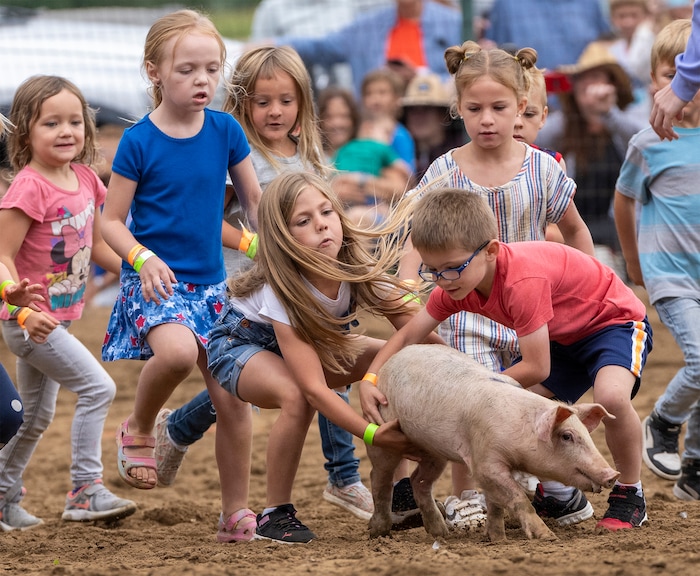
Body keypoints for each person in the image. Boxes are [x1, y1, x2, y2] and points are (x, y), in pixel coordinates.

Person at [155, 45, 376, 523]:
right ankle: (341, 476)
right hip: (243, 290)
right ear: (242, 105)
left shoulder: (309, 159)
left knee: (303, 369)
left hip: (300, 293)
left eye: (285, 100)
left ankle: (342, 477)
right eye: (262, 101)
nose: (275, 111)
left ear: (302, 105)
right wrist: (257, 246)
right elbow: (204, 221)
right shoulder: (241, 159)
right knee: (243, 388)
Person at [362, 187, 653, 531]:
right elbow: (408, 333)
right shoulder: (454, 286)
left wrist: (480, 391)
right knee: (518, 421)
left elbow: (537, 367)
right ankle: (553, 492)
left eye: (452, 268)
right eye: (433, 271)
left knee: (610, 397)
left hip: (611, 324)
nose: (442, 280)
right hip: (559, 339)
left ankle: (629, 493)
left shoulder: (521, 281)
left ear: (490, 251)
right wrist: (370, 379)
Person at [397, 41, 595, 531]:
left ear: (522, 107)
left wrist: (586, 282)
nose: (487, 119)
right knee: (471, 404)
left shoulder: (543, 168)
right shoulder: (445, 169)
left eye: (499, 108)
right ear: (458, 109)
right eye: (474, 109)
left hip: (529, 306)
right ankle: (464, 495)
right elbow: (414, 232)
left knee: (534, 401)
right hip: (466, 307)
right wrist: (406, 279)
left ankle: (531, 484)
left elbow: (574, 229)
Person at [205, 170, 441, 543]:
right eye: (304, 220)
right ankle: (274, 515)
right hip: (238, 345)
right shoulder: (283, 286)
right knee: (296, 397)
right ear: (283, 236)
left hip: (309, 346)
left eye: (327, 212)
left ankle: (397, 494)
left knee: (396, 363)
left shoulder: (354, 267)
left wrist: (468, 368)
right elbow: (314, 389)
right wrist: (373, 435)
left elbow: (416, 331)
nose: (321, 226)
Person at [99, 10, 262, 543]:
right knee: (173, 355)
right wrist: (142, 259)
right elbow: (110, 222)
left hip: (214, 289)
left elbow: (255, 203)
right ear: (154, 72)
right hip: (156, 281)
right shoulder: (138, 141)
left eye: (212, 70)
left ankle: (234, 511)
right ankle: (141, 426)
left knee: (232, 399)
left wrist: (274, 250)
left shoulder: (225, 129)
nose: (203, 81)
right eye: (188, 69)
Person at [0, 75, 137, 531]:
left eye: (75, 121)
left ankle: (2, 497)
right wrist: (17, 303)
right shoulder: (28, 187)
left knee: (34, 418)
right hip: (29, 322)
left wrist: (138, 272)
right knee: (100, 388)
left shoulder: (84, 179)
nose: (66, 131)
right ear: (24, 133)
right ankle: (84, 489)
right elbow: (1, 255)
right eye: (51, 123)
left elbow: (97, 248)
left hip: (63, 318)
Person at [614, 18, 700, 500]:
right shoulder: (649, 143)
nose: (685, 87)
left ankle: (694, 475)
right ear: (654, 82)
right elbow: (624, 200)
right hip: (672, 276)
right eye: (671, 74)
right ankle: (664, 422)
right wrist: (633, 263)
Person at [536, 40, 647, 269]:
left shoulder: (625, 121)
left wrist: (608, 112)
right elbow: (536, 137)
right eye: (583, 79)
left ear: (612, 84)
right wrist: (579, 112)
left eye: (597, 78)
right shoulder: (562, 126)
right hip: (573, 227)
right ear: (574, 87)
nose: (590, 86)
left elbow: (643, 142)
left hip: (620, 228)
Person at [274, 0, 462, 97]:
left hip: (437, 118)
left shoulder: (453, 23)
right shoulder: (367, 27)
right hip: (379, 119)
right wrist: (270, 46)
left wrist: (419, 76)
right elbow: (320, 47)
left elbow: (468, 77)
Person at [334, 110, 412, 226]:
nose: (390, 140)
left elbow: (332, 169)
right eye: (387, 133)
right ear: (368, 128)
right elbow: (403, 168)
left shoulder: (345, 148)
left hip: (345, 191)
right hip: (367, 203)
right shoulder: (381, 148)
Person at [485, 0, 610, 71]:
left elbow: (606, 48)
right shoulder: (507, 5)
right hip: (528, 106)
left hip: (581, 108)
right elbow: (495, 57)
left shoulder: (589, 4)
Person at [400, 72, 465, 182]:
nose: (419, 117)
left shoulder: (459, 153)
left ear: (442, 114)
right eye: (413, 110)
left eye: (426, 109)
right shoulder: (398, 150)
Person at [650, 0, 700, 138]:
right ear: (653, 79)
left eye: (697, 77)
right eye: (671, 76)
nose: (675, 85)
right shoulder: (644, 144)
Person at [360, 68, 415, 171]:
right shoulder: (357, 131)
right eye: (369, 93)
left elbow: (408, 174)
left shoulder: (400, 135)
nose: (375, 99)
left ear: (396, 98)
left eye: (382, 93)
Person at [607, 0, 655, 114]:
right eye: (621, 16)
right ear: (613, 19)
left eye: (634, 15)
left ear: (645, 16)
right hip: (623, 112)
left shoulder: (654, 43)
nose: (628, 22)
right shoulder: (611, 51)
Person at [317, 86, 361, 162]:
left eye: (344, 116)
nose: (337, 123)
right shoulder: (313, 162)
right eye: (329, 117)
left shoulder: (366, 157)